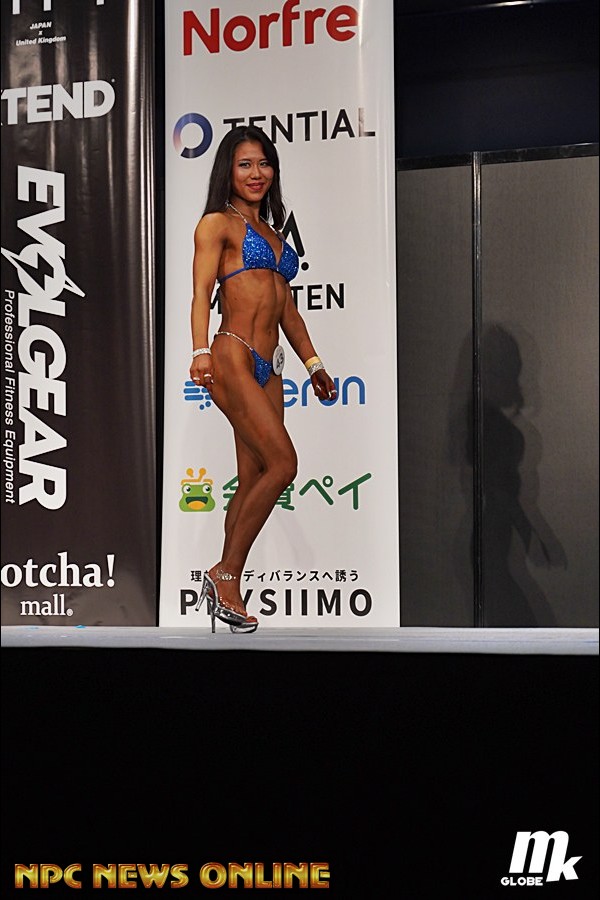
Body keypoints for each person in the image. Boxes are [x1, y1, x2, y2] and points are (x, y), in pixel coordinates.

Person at [189, 125, 336, 633]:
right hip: (232, 355)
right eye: (245, 164)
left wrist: (313, 364)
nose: (257, 173)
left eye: (264, 164)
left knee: (254, 477)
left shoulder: (274, 234)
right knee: (284, 464)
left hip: (271, 367)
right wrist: (199, 351)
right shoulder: (217, 224)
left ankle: (226, 590)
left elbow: (287, 309)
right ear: (228, 171)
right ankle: (225, 573)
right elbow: (200, 292)